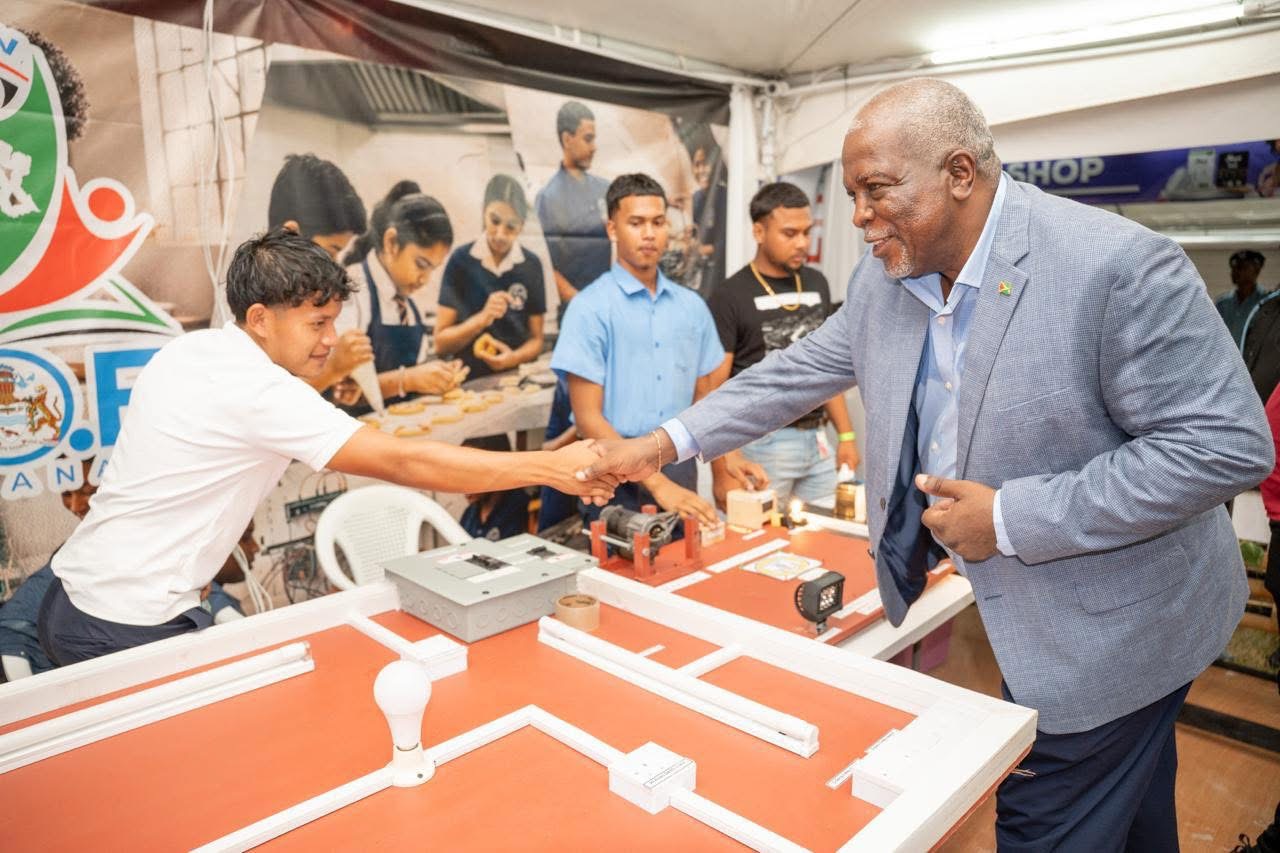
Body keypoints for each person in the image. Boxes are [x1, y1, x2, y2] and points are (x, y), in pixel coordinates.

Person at [578, 79, 1273, 850]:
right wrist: (662, 442)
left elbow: (1225, 444)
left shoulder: (1115, 266)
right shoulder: (886, 279)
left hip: (1117, 630)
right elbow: (792, 374)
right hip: (1069, 628)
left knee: (1043, 821)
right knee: (1135, 814)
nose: (857, 216)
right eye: (851, 194)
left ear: (959, 173)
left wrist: (1007, 518)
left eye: (876, 189)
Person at [36, 228, 615, 666]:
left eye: (333, 320)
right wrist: (551, 467)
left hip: (75, 594)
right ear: (260, 318)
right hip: (126, 624)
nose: (331, 339)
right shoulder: (261, 391)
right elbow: (405, 460)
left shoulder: (193, 351)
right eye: (317, 323)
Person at [551, 173, 757, 528]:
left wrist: (727, 465)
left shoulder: (691, 307)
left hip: (678, 465)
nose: (649, 234)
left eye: (658, 222)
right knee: (615, 563)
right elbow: (587, 418)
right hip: (609, 472)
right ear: (612, 229)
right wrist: (660, 486)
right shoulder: (589, 309)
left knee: (685, 560)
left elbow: (706, 400)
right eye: (636, 223)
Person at [0, 460, 245, 679]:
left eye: (89, 492)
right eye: (68, 493)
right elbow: (16, 622)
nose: (75, 505)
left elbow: (193, 588)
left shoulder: (152, 538)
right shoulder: (76, 560)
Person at [707, 182, 859, 507]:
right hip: (760, 442)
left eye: (807, 232)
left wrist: (846, 435)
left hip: (817, 440)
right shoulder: (730, 295)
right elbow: (713, 387)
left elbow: (827, 369)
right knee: (759, 534)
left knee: (826, 530)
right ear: (759, 232)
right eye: (790, 234)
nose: (802, 243)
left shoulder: (817, 283)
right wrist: (721, 468)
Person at [337, 181, 466, 410]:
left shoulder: (409, 306)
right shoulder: (352, 290)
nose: (425, 279)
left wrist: (438, 376)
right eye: (421, 264)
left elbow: (416, 376)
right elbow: (337, 392)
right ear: (391, 243)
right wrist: (408, 380)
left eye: (432, 269)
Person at [267, 153, 373, 405]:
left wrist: (336, 384)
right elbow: (267, 409)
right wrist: (332, 370)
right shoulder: (252, 298)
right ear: (290, 234)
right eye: (331, 251)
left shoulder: (306, 297)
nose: (334, 266)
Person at [435, 174, 546, 379]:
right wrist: (483, 318)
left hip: (516, 378)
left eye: (511, 226)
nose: (500, 234)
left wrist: (512, 358)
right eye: (494, 221)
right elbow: (441, 344)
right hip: (466, 379)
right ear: (483, 213)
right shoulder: (461, 260)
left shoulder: (531, 265)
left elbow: (537, 339)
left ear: (522, 225)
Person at [535, 100, 612, 314]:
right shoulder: (549, 198)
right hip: (576, 311)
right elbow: (547, 266)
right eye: (588, 139)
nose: (594, 147)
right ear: (567, 139)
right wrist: (582, 304)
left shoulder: (604, 189)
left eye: (594, 139)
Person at [1216, 250, 1270, 346]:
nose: (1235, 272)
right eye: (1233, 268)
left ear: (1256, 271)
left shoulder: (1267, 303)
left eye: (1241, 267)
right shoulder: (1222, 304)